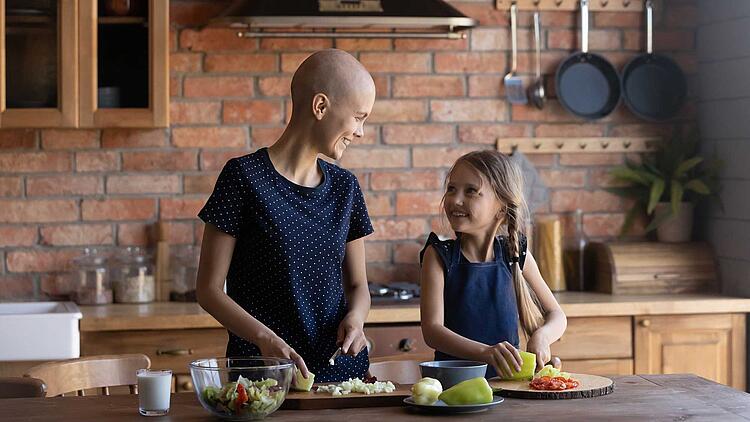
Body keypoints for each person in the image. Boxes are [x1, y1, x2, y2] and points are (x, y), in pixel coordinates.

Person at [195, 49, 376, 383]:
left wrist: (357, 318)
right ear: (320, 107)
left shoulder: (345, 187)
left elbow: (357, 285)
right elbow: (208, 290)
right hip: (262, 378)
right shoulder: (242, 177)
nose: (361, 131)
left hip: (342, 377)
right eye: (358, 117)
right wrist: (266, 340)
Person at [419, 150, 567, 379]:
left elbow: (557, 314)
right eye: (451, 189)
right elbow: (432, 332)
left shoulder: (516, 253)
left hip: (509, 384)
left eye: (471, 191)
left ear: (501, 206)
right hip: (455, 386)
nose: (455, 200)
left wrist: (542, 337)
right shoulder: (437, 255)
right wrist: (485, 353)